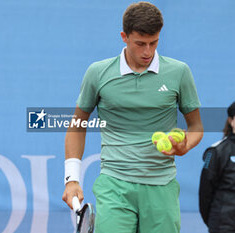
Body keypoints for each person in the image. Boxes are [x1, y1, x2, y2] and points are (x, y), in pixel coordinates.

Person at [62, 2, 204, 233]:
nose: (148, 51)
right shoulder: (98, 73)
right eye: (140, 43)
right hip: (114, 184)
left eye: (154, 42)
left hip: (162, 186)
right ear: (124, 37)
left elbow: (196, 126)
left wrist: (185, 144)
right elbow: (77, 125)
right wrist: (71, 179)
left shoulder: (179, 72)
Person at [199, 101, 235, 233]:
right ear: (231, 121)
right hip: (224, 225)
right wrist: (215, 221)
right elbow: (205, 193)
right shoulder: (216, 151)